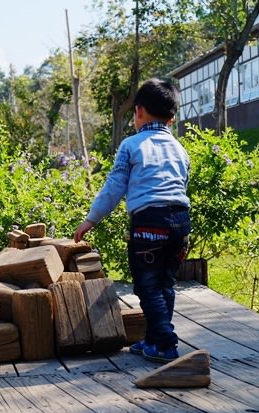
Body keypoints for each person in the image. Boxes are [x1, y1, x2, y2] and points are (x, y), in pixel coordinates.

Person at [73, 78, 191, 363]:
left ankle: (166, 343)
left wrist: (92, 219)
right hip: (180, 222)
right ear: (172, 118)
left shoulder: (131, 145)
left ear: (138, 111)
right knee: (165, 284)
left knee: (147, 286)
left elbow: (114, 186)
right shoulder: (179, 149)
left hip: (149, 222)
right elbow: (183, 182)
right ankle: (152, 339)